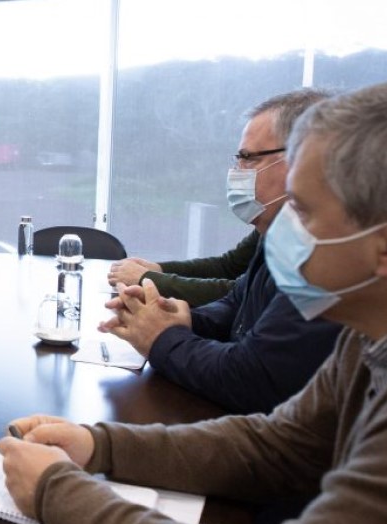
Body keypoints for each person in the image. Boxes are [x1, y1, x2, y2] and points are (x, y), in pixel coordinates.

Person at [0, 76, 387, 524]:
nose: (281, 230)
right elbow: (280, 446)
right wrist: (97, 445)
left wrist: (57, 493)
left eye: (303, 212)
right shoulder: (381, 327)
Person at [103, 88, 341, 414]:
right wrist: (174, 317)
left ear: (302, 161)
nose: (237, 170)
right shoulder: (278, 231)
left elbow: (251, 378)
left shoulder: (328, 254)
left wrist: (163, 337)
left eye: (249, 158)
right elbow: (236, 303)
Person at [107, 229, 258, 306]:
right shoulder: (265, 230)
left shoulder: (272, 229)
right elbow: (228, 266)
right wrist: (158, 269)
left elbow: (240, 293)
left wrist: (149, 279)